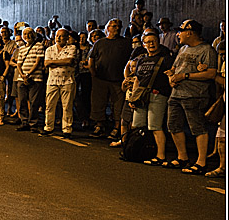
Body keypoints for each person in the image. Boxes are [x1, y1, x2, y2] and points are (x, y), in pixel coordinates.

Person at [165, 20, 218, 173]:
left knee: (198, 128)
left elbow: (211, 73)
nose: (178, 34)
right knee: (173, 125)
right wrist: (171, 77)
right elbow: (174, 68)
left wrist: (185, 76)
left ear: (189, 32)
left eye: (180, 31)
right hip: (176, 94)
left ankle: (201, 162)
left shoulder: (206, 50)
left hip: (195, 95)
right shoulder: (182, 49)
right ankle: (182, 157)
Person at [128, 31, 175, 166]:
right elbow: (137, 79)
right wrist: (133, 97)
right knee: (137, 125)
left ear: (158, 42)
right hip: (141, 96)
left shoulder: (166, 59)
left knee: (155, 126)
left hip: (157, 95)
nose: (151, 44)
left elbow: (171, 74)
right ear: (143, 45)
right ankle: (140, 152)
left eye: (153, 41)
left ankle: (160, 156)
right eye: (148, 42)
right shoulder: (141, 60)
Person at [89, 18, 132, 139]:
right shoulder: (100, 43)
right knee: (98, 103)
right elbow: (91, 58)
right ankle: (99, 126)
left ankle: (117, 128)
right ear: (108, 28)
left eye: (119, 26)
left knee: (118, 105)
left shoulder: (125, 43)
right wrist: (93, 72)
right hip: (101, 78)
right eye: (114, 26)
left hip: (118, 79)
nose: (117, 28)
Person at [43, 29, 78, 135]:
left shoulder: (72, 48)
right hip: (52, 80)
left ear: (67, 38)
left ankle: (67, 129)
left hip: (67, 80)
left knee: (67, 106)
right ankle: (48, 127)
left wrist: (53, 62)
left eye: (61, 36)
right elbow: (46, 63)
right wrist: (62, 62)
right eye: (57, 36)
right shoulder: (49, 49)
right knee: (50, 105)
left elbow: (69, 61)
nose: (58, 38)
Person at [13, 27, 45, 131]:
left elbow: (38, 62)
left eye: (29, 33)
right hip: (21, 78)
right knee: (22, 101)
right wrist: (22, 75)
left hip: (35, 78)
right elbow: (19, 64)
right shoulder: (21, 49)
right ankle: (24, 121)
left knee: (33, 102)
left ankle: (33, 123)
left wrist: (28, 74)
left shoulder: (39, 46)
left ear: (33, 34)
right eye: (25, 34)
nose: (27, 36)